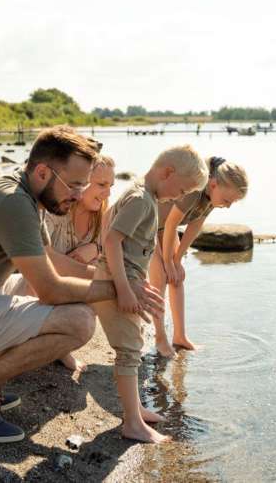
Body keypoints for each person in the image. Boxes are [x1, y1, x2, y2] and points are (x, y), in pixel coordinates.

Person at [0, 126, 163, 443]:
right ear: (43, 171)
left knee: (57, 293)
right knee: (79, 323)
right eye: (74, 184)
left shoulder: (23, 190)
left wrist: (118, 279)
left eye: (83, 185)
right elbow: (52, 290)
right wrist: (122, 290)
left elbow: (52, 261)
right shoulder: (13, 203)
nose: (78, 194)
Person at [91, 144, 208, 443]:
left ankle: (137, 409)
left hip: (126, 279)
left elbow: (111, 229)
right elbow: (112, 240)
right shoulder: (142, 201)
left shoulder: (141, 195)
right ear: (167, 172)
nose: (181, 198)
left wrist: (135, 281)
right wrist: (124, 288)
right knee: (130, 350)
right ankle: (132, 423)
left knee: (134, 342)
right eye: (181, 190)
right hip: (120, 283)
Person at [150, 156, 248, 357]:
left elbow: (194, 226)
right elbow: (171, 224)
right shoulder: (195, 190)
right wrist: (167, 261)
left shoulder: (211, 199)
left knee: (177, 278)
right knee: (160, 277)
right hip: (148, 224)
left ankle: (180, 336)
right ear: (213, 184)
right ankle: (160, 339)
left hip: (163, 228)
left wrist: (177, 260)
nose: (228, 206)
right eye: (228, 200)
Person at [46, 154, 115, 372]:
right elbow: (42, 258)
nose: (108, 192)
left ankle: (128, 350)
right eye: (102, 184)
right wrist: (97, 274)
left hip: (67, 290)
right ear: (81, 181)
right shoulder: (55, 211)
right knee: (103, 278)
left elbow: (112, 249)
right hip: (36, 286)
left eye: (111, 185)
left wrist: (94, 248)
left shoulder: (101, 216)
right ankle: (59, 349)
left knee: (106, 264)